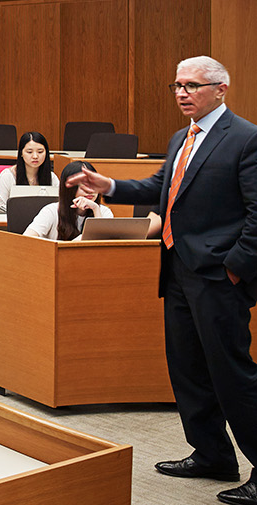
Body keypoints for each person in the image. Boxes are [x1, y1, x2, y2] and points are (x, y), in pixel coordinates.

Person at [67, 56, 257, 505]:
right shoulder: (179, 138)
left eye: (192, 85)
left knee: (233, 375)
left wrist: (235, 268)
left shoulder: (246, 139)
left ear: (221, 89)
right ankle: (211, 454)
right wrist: (108, 184)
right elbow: (160, 187)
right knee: (187, 370)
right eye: (176, 85)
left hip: (218, 277)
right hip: (176, 271)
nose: (182, 93)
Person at [24, 161, 112, 240]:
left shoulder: (104, 212)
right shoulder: (51, 211)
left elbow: (103, 245)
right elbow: (27, 239)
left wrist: (95, 208)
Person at [0, 131, 58, 211]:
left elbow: (59, 207)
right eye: (29, 152)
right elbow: (0, 208)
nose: (35, 156)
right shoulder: (7, 176)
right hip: (15, 221)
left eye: (40, 152)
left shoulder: (52, 177)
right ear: (21, 153)